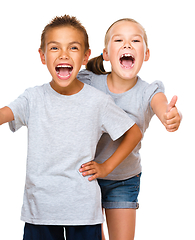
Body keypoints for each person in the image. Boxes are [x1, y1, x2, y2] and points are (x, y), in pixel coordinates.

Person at [0, 15, 142, 240]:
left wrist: (106, 168)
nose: (64, 54)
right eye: (55, 47)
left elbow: (133, 133)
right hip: (40, 211)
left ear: (86, 56)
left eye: (73, 47)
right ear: (42, 56)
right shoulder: (33, 98)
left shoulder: (97, 101)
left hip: (84, 212)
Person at [78, 18, 182, 240]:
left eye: (135, 40)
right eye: (119, 40)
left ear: (146, 54)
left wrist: (171, 116)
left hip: (124, 179)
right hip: (87, 176)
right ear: (106, 54)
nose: (127, 45)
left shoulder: (148, 91)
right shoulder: (90, 82)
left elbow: (163, 106)